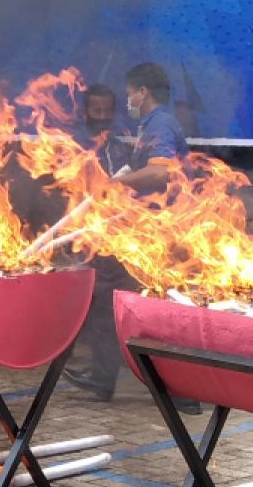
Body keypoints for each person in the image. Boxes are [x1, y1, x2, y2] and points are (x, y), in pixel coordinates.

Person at [63, 62, 200, 413]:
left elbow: (159, 171)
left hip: (159, 233)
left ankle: (183, 390)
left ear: (142, 92)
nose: (127, 99)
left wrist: (113, 184)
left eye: (129, 93)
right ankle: (104, 376)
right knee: (112, 293)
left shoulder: (160, 123)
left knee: (151, 307)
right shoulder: (150, 125)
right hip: (142, 233)